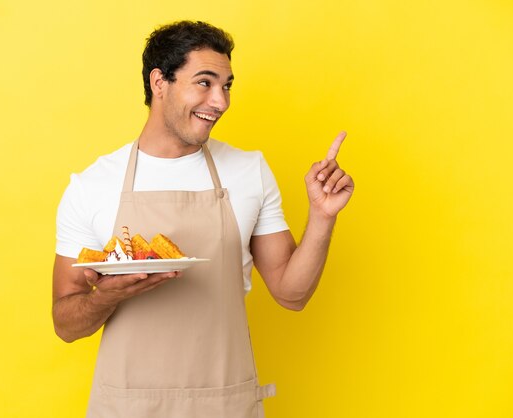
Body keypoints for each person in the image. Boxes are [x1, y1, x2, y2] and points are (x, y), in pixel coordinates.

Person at [52, 20, 354, 417]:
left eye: (227, 85)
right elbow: (66, 324)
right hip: (127, 407)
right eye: (205, 83)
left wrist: (321, 216)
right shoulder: (93, 185)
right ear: (159, 82)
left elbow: (291, 294)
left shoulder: (249, 171)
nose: (221, 101)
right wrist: (107, 295)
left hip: (224, 404)